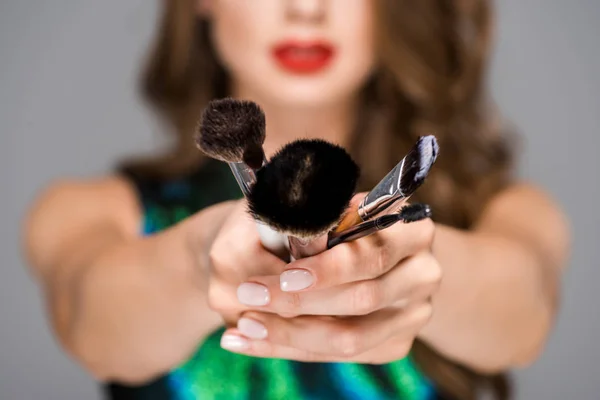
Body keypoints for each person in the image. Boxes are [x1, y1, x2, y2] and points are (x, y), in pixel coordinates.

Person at [22, 1, 570, 399]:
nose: (306, 8)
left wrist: (408, 265)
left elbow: (523, 320)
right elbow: (89, 320)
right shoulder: (90, 210)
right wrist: (201, 259)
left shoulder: (507, 212)